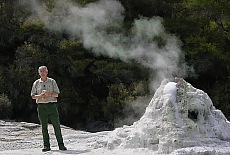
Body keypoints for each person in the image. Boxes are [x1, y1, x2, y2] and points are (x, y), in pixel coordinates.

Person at [31, 66, 67, 152]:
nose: (42, 72)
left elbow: (57, 94)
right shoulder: (36, 83)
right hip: (41, 106)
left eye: (44, 71)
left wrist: (49, 94)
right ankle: (46, 146)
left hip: (52, 106)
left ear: (47, 72)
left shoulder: (52, 81)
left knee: (56, 126)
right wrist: (40, 96)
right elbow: (33, 96)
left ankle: (61, 145)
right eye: (41, 71)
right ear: (38, 73)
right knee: (44, 127)